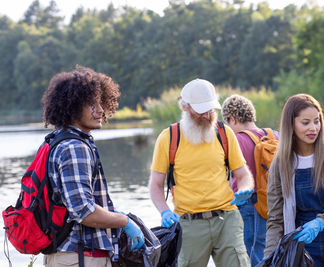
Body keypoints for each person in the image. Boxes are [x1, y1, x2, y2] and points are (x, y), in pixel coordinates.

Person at [41, 65, 145, 267]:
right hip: (78, 256)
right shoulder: (74, 147)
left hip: (74, 256)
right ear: (72, 106)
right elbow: (83, 211)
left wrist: (114, 215)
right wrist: (125, 222)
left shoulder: (59, 140)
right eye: (91, 104)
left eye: (100, 103)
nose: (100, 110)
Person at [149, 78, 254, 267]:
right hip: (188, 224)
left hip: (227, 219)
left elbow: (243, 174)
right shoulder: (169, 138)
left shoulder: (225, 133)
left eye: (211, 109)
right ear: (185, 107)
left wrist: (245, 189)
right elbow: (156, 185)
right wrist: (164, 211)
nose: (207, 114)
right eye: (201, 109)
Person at [264, 94, 324, 266]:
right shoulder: (280, 164)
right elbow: (275, 219)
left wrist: (321, 221)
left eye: (317, 121)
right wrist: (270, 259)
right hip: (303, 247)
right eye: (305, 122)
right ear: (291, 124)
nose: (313, 128)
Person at [221, 94, 278, 266]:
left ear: (232, 119)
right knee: (269, 250)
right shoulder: (275, 136)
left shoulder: (235, 140)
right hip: (274, 203)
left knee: (247, 253)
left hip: (248, 204)